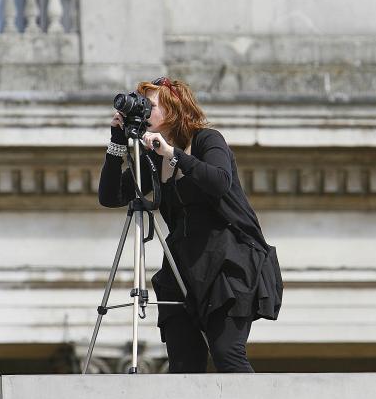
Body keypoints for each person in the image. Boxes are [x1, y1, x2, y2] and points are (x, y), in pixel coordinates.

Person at [98, 77, 283, 373]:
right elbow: (110, 197)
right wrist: (116, 144)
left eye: (151, 106)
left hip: (227, 264)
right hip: (182, 269)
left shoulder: (207, 140)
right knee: (183, 365)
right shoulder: (154, 162)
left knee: (227, 353)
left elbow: (219, 181)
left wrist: (173, 154)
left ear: (173, 110)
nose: (144, 113)